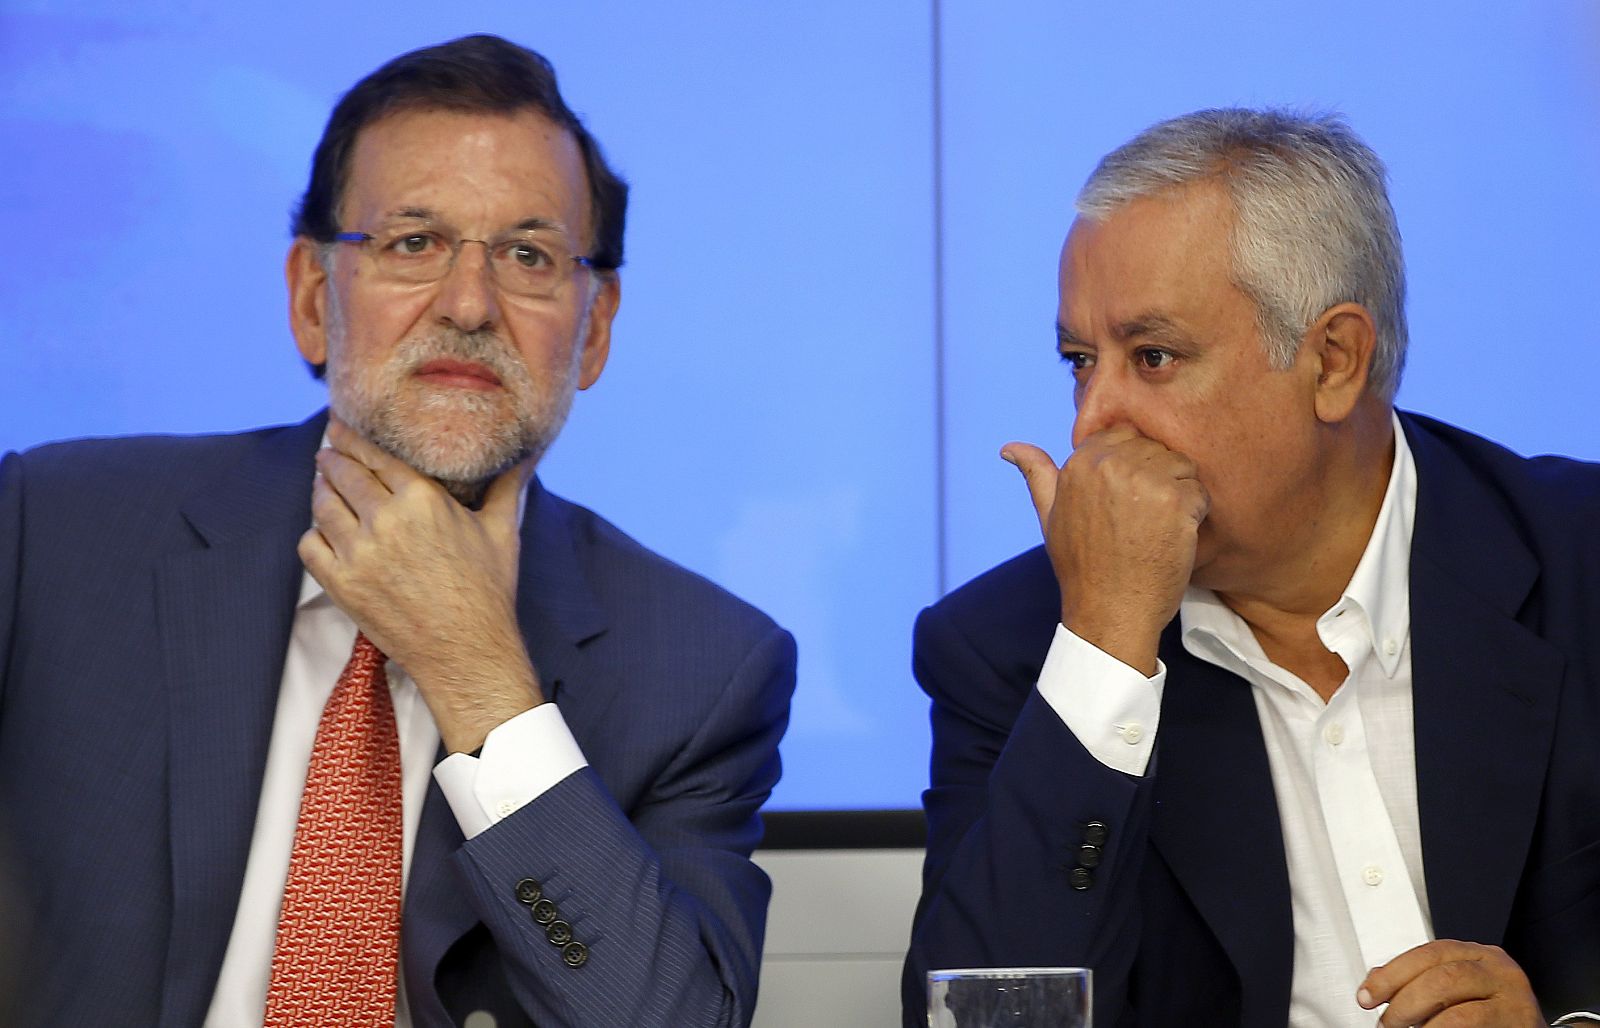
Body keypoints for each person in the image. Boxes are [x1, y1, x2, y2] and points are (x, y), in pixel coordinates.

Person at [0, 34, 795, 1028]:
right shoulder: (52, 532)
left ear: (592, 329)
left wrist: (480, 677)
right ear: (310, 300)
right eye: (413, 241)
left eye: (528, 256)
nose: (468, 304)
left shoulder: (702, 666)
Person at [902, 108, 1600, 1027]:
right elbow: (984, 1014)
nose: (1089, 424)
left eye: (1153, 357)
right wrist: (1108, 643)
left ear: (1333, 362)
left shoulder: (1579, 555)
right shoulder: (1009, 647)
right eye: (1080, 361)